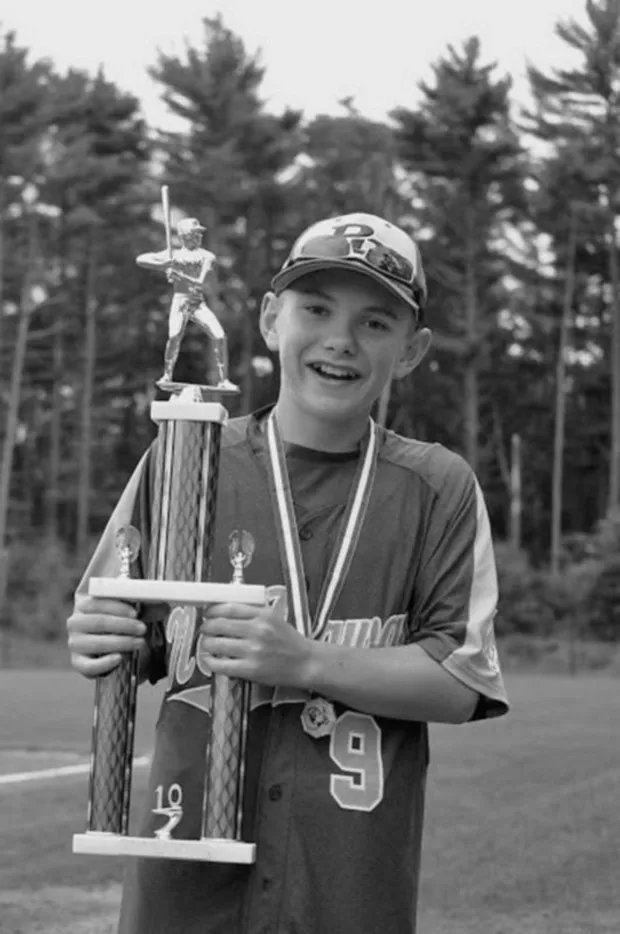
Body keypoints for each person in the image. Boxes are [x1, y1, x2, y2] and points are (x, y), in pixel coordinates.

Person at [67, 212, 509, 934]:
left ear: (412, 350)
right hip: (184, 880)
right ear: (272, 319)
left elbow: (462, 682)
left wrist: (303, 659)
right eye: (315, 308)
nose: (340, 339)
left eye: (375, 322)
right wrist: (96, 636)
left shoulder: (437, 486)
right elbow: (120, 629)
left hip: (346, 883)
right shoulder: (185, 459)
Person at [136, 216, 237, 390]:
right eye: (195, 234)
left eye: (199, 234)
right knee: (174, 337)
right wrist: (164, 265)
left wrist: (177, 274)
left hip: (197, 302)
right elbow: (141, 259)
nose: (199, 237)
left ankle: (224, 379)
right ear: (185, 236)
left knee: (220, 336)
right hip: (179, 301)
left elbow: (199, 282)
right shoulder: (174, 254)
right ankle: (167, 374)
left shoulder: (207, 256)